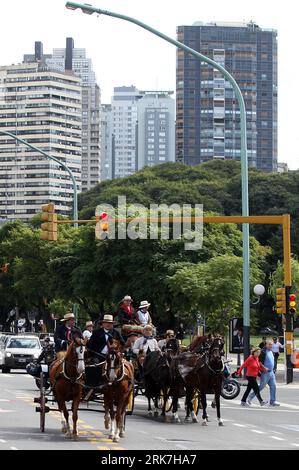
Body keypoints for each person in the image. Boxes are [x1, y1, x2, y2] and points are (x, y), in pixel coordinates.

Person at [248, 340, 280, 406]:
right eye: (269, 344)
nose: (271, 346)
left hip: (271, 372)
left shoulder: (271, 351)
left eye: (272, 344)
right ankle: (250, 396)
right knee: (261, 386)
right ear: (266, 345)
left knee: (273, 386)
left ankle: (272, 401)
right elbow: (258, 361)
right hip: (265, 373)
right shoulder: (263, 352)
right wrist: (264, 368)